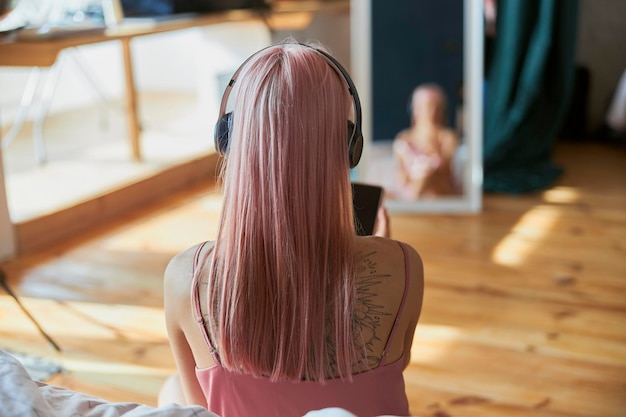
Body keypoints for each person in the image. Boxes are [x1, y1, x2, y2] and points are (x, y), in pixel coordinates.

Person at [158, 40, 424, 417]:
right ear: (348, 146)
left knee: (170, 388)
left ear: (231, 140)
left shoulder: (184, 278)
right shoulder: (404, 267)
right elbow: (397, 364)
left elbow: (197, 408)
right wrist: (380, 247)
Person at [392, 83, 460, 200]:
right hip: (412, 192)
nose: (431, 111)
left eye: (435, 106)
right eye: (425, 106)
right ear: (414, 109)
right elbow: (401, 178)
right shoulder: (404, 138)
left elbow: (446, 171)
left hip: (441, 192)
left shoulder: (447, 137)